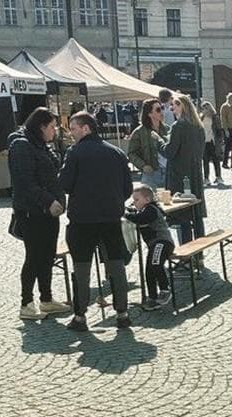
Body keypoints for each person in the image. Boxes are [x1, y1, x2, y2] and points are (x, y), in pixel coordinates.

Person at [57, 111, 133, 332]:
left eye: (73, 128)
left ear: (86, 128)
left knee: (82, 268)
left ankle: (80, 316)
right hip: (111, 217)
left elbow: (65, 184)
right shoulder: (116, 152)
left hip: (83, 219)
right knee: (116, 265)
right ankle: (122, 313)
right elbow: (127, 188)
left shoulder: (75, 153)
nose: (71, 133)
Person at [8, 108, 70, 321]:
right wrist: (48, 201)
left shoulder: (41, 144)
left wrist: (58, 201)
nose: (55, 130)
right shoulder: (21, 145)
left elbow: (54, 172)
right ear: (41, 126)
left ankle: (46, 298)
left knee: (48, 255)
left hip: (50, 212)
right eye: (52, 127)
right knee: (34, 256)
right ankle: (26, 303)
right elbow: (25, 182)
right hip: (31, 211)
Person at [163, 94, 208, 246]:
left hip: (180, 174)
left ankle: (187, 251)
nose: (172, 108)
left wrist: (159, 142)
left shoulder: (179, 126)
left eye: (175, 105)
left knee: (183, 214)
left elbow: (170, 151)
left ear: (182, 106)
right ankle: (199, 251)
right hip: (195, 173)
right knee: (196, 214)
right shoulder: (198, 127)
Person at [123, 185, 173, 309]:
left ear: (147, 199)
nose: (134, 203)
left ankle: (165, 289)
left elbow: (140, 219)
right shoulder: (143, 209)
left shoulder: (150, 209)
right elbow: (135, 213)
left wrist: (124, 214)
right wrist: (127, 210)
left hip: (162, 242)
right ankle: (152, 297)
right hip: (154, 245)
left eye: (136, 200)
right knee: (149, 270)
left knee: (156, 263)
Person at [127, 99, 167, 190]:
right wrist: (143, 166)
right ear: (149, 114)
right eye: (158, 110)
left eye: (162, 108)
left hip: (168, 172)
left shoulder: (167, 129)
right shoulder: (139, 132)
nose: (162, 112)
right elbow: (131, 153)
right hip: (151, 173)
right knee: (149, 198)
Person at [199, 100, 225, 186]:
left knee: (216, 159)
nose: (203, 110)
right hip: (204, 141)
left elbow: (219, 129)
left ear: (209, 108)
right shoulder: (201, 118)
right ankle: (206, 178)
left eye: (205, 108)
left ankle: (218, 177)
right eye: (202, 108)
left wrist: (220, 140)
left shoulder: (215, 117)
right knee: (205, 160)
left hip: (213, 141)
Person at [220, 92, 232, 167]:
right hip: (228, 129)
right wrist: (225, 130)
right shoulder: (224, 107)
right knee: (227, 146)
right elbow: (223, 119)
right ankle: (225, 163)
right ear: (230, 99)